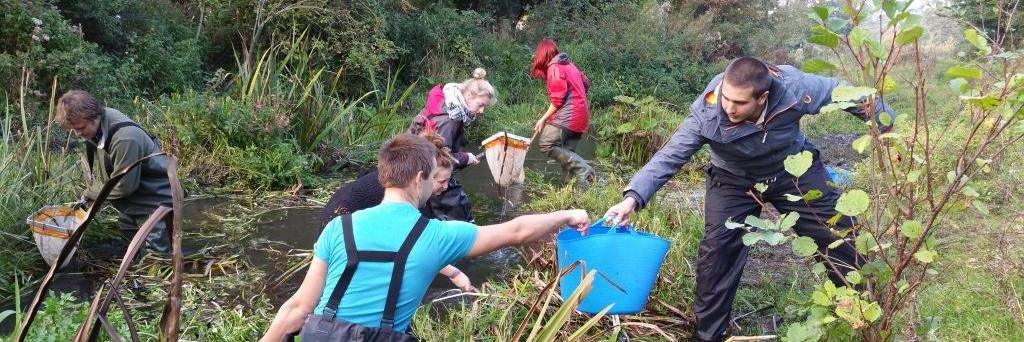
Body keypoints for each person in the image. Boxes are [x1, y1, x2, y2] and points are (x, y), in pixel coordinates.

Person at [603, 57, 894, 341]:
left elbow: (846, 93)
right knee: (717, 254)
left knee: (837, 232)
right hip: (733, 179)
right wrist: (632, 198)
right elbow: (670, 156)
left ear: (762, 97)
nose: (729, 107)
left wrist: (889, 130)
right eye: (726, 98)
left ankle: (864, 315)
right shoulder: (708, 111)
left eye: (739, 103)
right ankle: (708, 335)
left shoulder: (794, 88)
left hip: (792, 169)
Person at [261, 134, 589, 341]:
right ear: (419, 178)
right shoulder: (435, 235)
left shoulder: (338, 228)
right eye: (433, 177)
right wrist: (566, 215)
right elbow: (516, 231)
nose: (435, 185)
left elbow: (297, 309)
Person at [319, 132, 475, 292]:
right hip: (340, 220)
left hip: (338, 215)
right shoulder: (404, 195)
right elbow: (420, 242)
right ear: (422, 177)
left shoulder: (396, 177)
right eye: (442, 181)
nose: (446, 186)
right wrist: (454, 273)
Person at [55, 90, 172, 254]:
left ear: (94, 116)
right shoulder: (100, 123)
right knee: (128, 239)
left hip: (156, 200)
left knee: (157, 257)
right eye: (74, 129)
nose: (78, 134)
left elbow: (124, 187)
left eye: (81, 128)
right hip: (136, 198)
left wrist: (91, 192)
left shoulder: (125, 138)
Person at [407, 67, 497, 222]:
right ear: (470, 95)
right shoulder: (449, 119)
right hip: (422, 170)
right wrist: (465, 158)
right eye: (481, 105)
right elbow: (439, 159)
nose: (482, 110)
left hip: (416, 165)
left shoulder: (449, 105)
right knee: (457, 205)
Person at [529, 38, 596, 188]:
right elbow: (586, 85)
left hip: (570, 116)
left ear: (543, 54)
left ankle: (585, 169)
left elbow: (557, 101)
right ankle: (569, 190)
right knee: (567, 153)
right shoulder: (570, 65)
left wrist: (542, 119)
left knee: (546, 143)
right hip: (581, 116)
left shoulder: (554, 67)